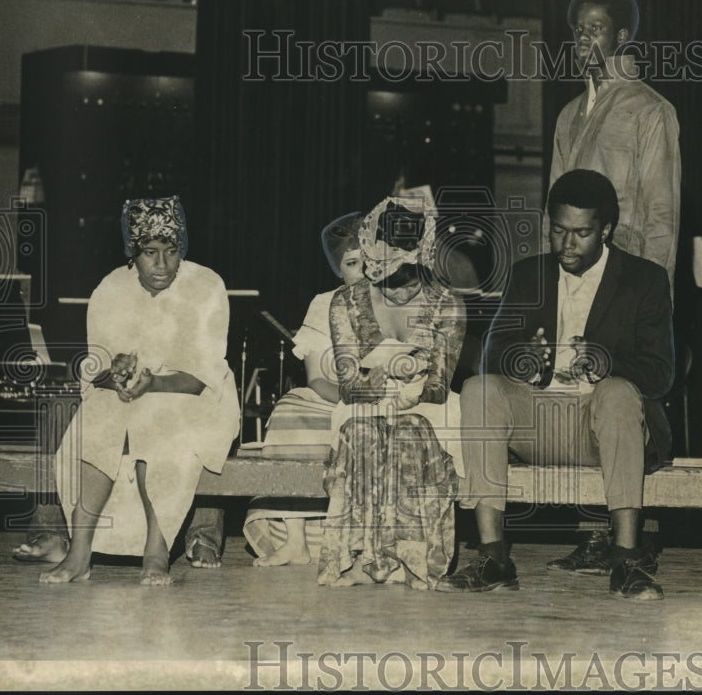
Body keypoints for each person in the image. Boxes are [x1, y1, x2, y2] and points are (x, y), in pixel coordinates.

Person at [438, 169, 674, 598]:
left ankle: (626, 562)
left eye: (581, 233)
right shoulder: (529, 274)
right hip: (539, 423)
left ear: (606, 230)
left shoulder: (646, 280)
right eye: (558, 231)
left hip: (603, 429)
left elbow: (661, 374)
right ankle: (493, 558)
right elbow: (491, 357)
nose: (567, 244)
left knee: (618, 392)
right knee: (479, 389)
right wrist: (524, 360)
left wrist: (609, 363)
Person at [40, 196, 240, 585]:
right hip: (127, 396)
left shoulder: (206, 286)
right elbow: (96, 368)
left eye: (171, 252)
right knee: (98, 418)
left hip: (196, 397)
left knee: (154, 418)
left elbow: (202, 375)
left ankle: (157, 551)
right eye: (150, 253)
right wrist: (114, 372)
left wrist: (153, 384)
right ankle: (80, 554)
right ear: (133, 254)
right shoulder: (110, 288)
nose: (162, 265)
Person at [317, 196, 466, 590]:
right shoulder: (346, 302)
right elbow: (348, 386)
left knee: (410, 431)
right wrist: (381, 382)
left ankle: (414, 561)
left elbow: (439, 384)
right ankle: (360, 560)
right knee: (362, 431)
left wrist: (410, 389)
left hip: (428, 408)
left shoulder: (447, 303)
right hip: (363, 404)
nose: (392, 283)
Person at [243, 212, 364, 566]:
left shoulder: (395, 301)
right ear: (338, 269)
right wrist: (349, 397)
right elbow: (316, 379)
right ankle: (295, 540)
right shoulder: (324, 303)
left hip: (385, 402)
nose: (364, 271)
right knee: (291, 408)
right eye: (353, 263)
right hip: (333, 398)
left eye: (371, 261)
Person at [549, 0, 681, 293]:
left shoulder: (651, 110)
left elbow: (662, 218)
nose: (583, 39)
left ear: (620, 36)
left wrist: (654, 301)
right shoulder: (568, 114)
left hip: (625, 278)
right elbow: (553, 209)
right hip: (572, 281)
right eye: (579, 29)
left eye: (596, 29)